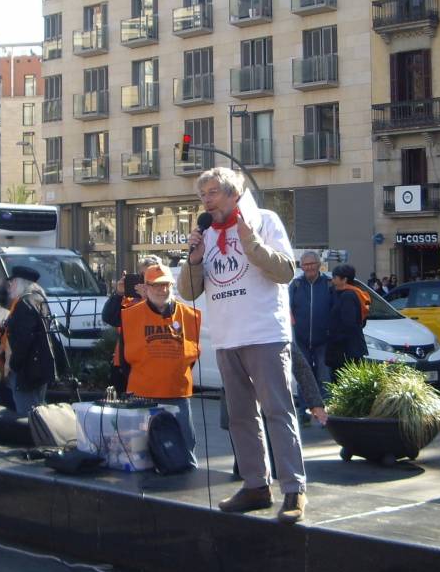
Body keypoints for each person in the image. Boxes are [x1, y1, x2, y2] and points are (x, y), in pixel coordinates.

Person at [179, 166, 322, 524]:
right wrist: (194, 257)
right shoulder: (206, 234)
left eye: (212, 193)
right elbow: (187, 291)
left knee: (278, 411)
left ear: (233, 192)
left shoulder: (265, 220)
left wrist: (250, 242)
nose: (206, 201)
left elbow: (286, 272)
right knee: (241, 417)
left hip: (264, 334)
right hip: (227, 337)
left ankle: (294, 489)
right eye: (203, 195)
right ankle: (256, 485)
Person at [120, 262, 200, 456]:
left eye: (166, 285)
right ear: (146, 287)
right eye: (156, 285)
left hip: (177, 394)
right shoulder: (130, 315)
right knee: (141, 451)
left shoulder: (189, 315)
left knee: (185, 448)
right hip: (142, 395)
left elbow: (192, 356)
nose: (161, 289)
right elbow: (124, 359)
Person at [101, 255, 163, 397]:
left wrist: (148, 299)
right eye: (141, 275)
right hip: (123, 364)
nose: (145, 281)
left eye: (150, 276)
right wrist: (118, 293)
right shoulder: (128, 299)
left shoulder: (164, 299)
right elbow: (109, 317)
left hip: (151, 364)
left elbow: (161, 320)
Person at [6, 266, 57, 417]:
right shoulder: (39, 300)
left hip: (27, 370)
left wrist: (14, 364)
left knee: (27, 415)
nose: (10, 286)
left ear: (20, 283)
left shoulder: (24, 304)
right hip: (39, 368)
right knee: (38, 410)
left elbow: (23, 340)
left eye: (13, 282)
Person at [288, 250, 334, 409]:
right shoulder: (295, 285)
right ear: (301, 266)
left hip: (324, 340)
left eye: (312, 264)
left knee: (324, 376)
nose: (309, 267)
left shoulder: (329, 284)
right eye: (305, 264)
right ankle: (304, 412)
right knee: (304, 377)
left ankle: (327, 412)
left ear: (319, 265)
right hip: (301, 340)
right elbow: (287, 309)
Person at [326, 264, 370, 372]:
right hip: (346, 348)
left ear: (344, 279)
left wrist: (333, 335)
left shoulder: (348, 296)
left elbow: (348, 323)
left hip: (347, 350)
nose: (332, 280)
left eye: (335, 277)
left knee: (343, 380)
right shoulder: (340, 293)